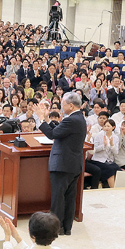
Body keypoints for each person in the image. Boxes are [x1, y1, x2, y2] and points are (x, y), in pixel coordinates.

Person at [40, 92, 87, 235]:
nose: (61, 107)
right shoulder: (78, 118)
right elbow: (58, 131)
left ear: (71, 105)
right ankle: (66, 228)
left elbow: (52, 134)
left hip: (63, 164)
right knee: (69, 198)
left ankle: (54, 229)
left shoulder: (72, 120)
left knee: (58, 198)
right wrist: (47, 118)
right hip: (73, 163)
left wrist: (41, 119)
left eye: (63, 104)